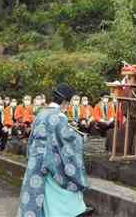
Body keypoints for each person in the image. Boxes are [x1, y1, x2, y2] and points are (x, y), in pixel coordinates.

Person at [17, 84, 90, 217]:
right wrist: (80, 138)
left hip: (35, 160)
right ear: (64, 101)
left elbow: (32, 138)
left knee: (37, 196)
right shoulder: (59, 117)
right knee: (60, 194)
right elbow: (67, 142)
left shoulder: (41, 113)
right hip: (50, 162)